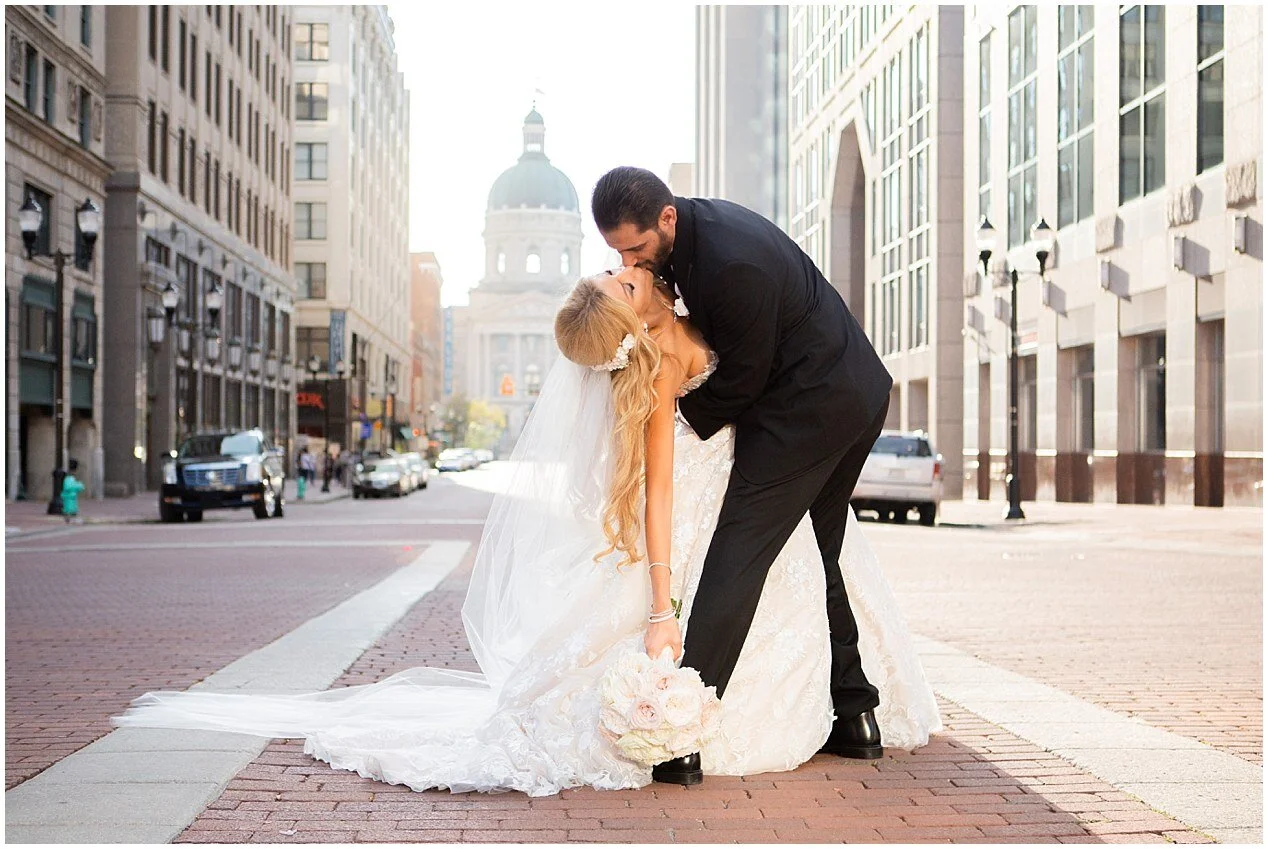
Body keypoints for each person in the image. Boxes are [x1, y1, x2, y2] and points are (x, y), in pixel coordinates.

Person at [113, 267, 939, 796]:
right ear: (627, 321)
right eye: (617, 278)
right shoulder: (651, 377)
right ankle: (698, 718)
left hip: (757, 493)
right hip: (713, 514)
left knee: (821, 580)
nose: (625, 271)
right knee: (744, 604)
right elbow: (654, 498)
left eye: (618, 268)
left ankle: (839, 704)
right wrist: (661, 603)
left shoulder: (697, 300)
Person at [591, 166, 898, 784]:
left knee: (739, 550)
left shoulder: (732, 265)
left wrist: (680, 414)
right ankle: (855, 713)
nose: (628, 261)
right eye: (616, 252)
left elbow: (745, 378)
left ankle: (680, 732)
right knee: (821, 549)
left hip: (813, 406)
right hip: (849, 390)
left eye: (635, 248)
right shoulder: (691, 240)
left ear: (667, 220)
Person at [61, 459, 86, 524]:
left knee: (70, 507)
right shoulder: (69, 479)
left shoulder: (68, 478)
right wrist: (79, 486)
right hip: (70, 496)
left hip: (70, 496)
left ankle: (69, 518)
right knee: (69, 508)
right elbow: (69, 487)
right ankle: (70, 518)